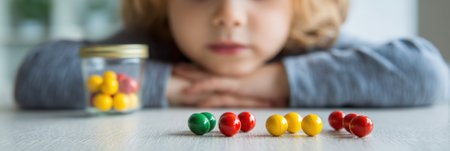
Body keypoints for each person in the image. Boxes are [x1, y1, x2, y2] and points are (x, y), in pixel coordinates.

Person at [14, 0, 449, 109]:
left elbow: (426, 73)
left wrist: (276, 81)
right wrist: (179, 87)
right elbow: (37, 74)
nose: (228, 16)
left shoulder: (312, 41)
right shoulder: (152, 40)